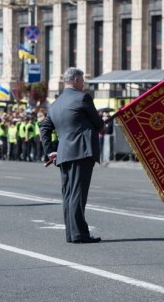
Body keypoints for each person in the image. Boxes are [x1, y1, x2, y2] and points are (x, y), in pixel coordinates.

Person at [40, 67, 105, 244]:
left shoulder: (55, 104)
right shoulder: (83, 97)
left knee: (69, 194)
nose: (83, 83)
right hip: (81, 152)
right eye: (82, 80)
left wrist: (50, 151)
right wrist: (100, 127)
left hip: (63, 153)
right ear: (76, 80)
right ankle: (79, 234)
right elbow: (98, 123)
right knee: (77, 193)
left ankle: (72, 232)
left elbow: (44, 128)